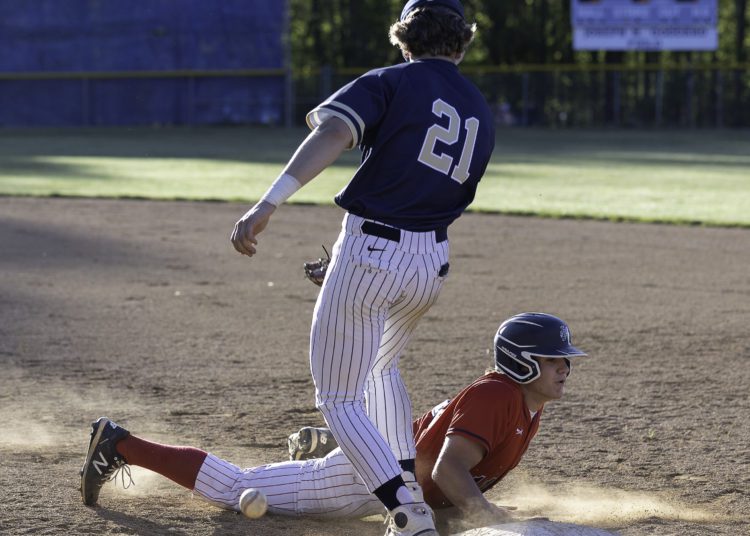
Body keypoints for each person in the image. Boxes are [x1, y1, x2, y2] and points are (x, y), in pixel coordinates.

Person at [229, 2, 495, 534]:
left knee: (338, 397)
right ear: (463, 42)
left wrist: (267, 203)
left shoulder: (391, 80)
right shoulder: (478, 107)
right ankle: (407, 485)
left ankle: (405, 509)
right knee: (380, 368)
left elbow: (333, 133)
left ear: (403, 39)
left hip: (373, 251)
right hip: (430, 261)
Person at [80, 313, 588, 533]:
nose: (564, 367)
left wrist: (472, 511)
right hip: (369, 479)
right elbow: (447, 471)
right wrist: (482, 512)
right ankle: (120, 444)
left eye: (564, 359)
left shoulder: (523, 404)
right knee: (237, 487)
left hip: (390, 469)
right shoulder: (498, 396)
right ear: (521, 361)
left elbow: (433, 454)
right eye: (553, 359)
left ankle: (334, 442)